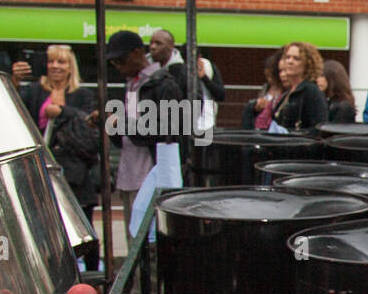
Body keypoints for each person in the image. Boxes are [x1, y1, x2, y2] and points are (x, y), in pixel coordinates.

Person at [15, 44, 100, 270]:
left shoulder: (81, 94)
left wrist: (62, 112)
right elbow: (18, 113)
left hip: (75, 172)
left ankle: (93, 279)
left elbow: (88, 123)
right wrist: (14, 80)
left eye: (61, 62)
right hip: (41, 169)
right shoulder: (34, 92)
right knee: (44, 227)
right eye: (51, 61)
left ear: (70, 67)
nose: (55, 66)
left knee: (84, 225)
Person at [101, 30, 188, 235]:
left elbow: (169, 130)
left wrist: (123, 124)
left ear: (138, 52)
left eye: (121, 60)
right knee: (134, 239)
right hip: (129, 174)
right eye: (114, 63)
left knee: (148, 243)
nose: (118, 66)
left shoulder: (163, 83)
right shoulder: (132, 84)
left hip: (150, 176)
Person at [148, 28, 225, 130]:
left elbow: (220, 95)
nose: (153, 47)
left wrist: (204, 78)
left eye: (158, 43)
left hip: (205, 125)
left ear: (199, 57)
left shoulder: (208, 67)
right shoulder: (157, 69)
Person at [269, 41, 327, 132]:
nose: (290, 61)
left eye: (296, 58)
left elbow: (319, 127)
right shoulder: (287, 92)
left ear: (307, 64)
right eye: (287, 57)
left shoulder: (311, 91)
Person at [242, 50, 284, 130]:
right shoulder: (266, 87)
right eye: (267, 77)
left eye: (271, 77)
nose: (270, 80)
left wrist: (269, 105)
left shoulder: (285, 89)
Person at [319, 58, 356, 123]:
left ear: (332, 78)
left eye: (321, 76)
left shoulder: (344, 107)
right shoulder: (326, 102)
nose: (317, 79)